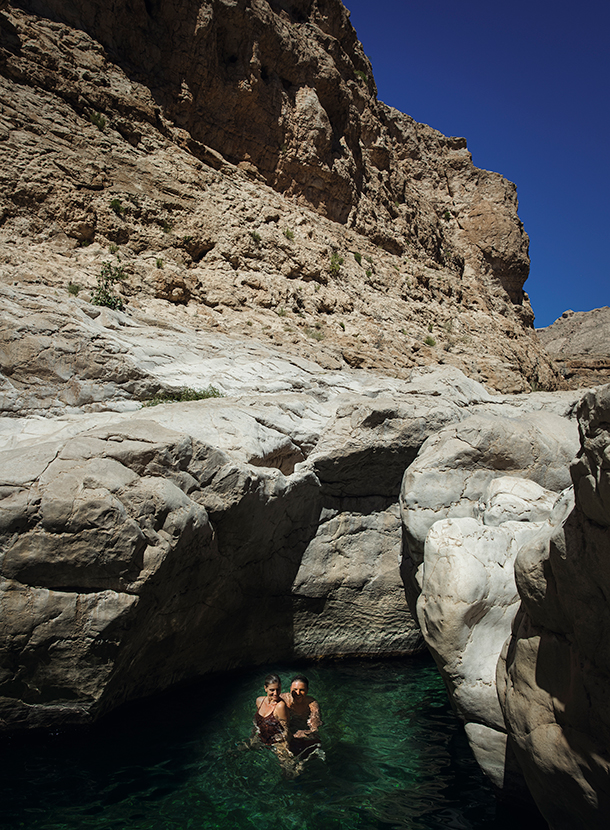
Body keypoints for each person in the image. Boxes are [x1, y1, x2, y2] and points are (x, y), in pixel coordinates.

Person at [282, 674, 322, 760]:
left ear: (307, 690)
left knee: (315, 740)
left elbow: (315, 725)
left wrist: (307, 732)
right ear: (290, 689)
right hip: (286, 728)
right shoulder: (283, 700)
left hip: (302, 730)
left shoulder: (312, 703)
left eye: (302, 690)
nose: (298, 693)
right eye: (295, 689)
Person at [254, 673, 289, 748]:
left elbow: (286, 729)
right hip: (261, 737)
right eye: (272, 690)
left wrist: (284, 746)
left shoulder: (280, 706)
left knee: (288, 760)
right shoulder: (259, 701)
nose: (276, 693)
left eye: (278, 689)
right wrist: (254, 734)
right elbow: (258, 722)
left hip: (276, 742)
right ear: (265, 688)